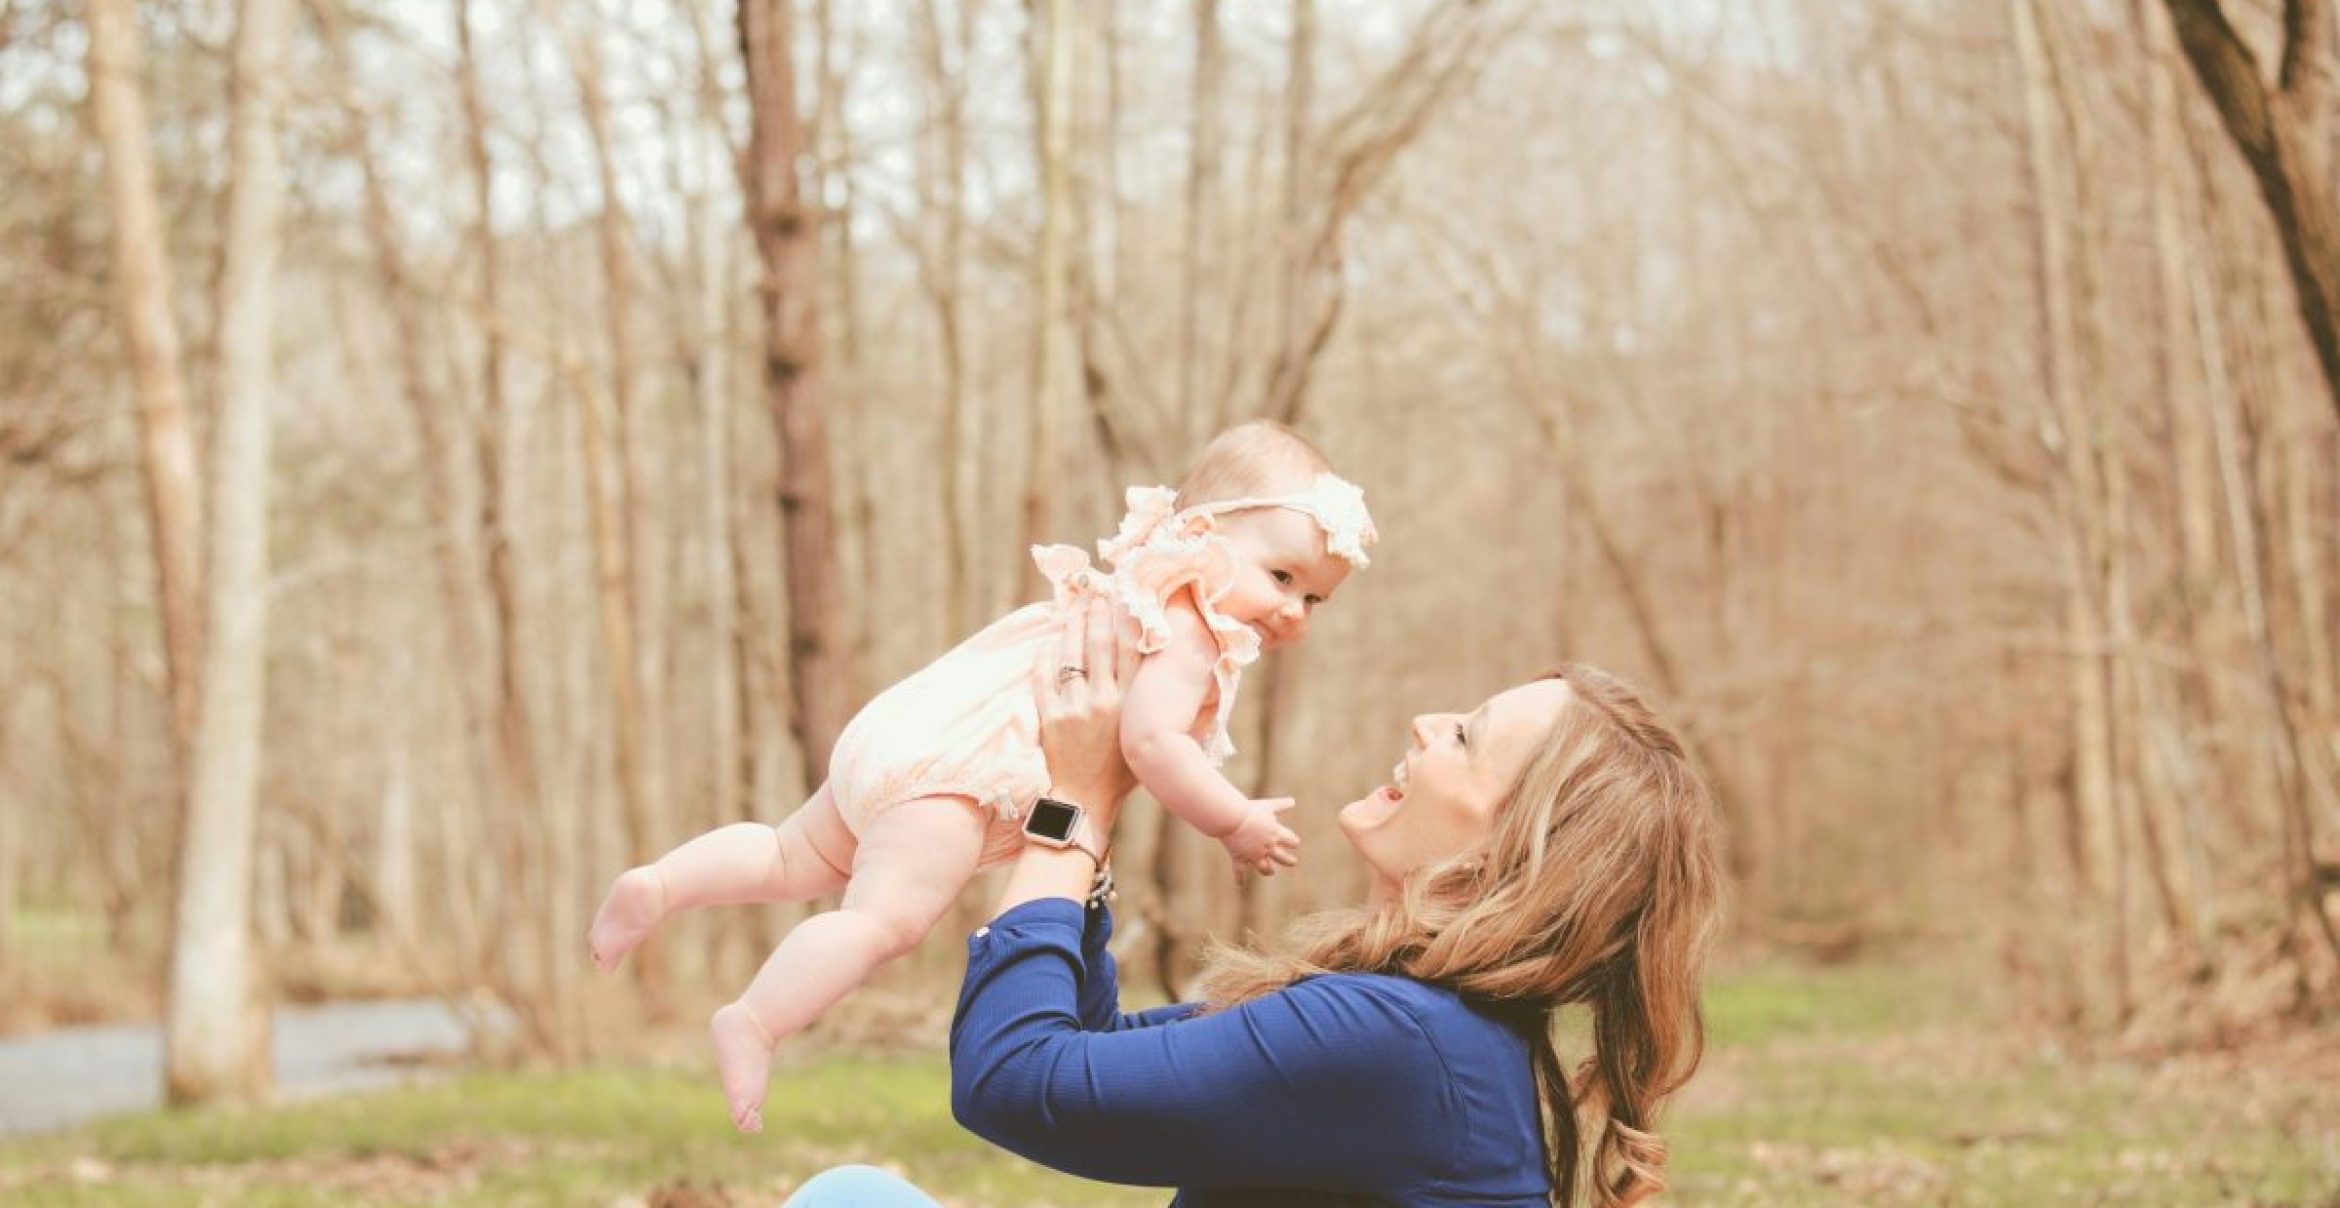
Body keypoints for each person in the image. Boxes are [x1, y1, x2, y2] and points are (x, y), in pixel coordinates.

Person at [784, 596, 1724, 1206]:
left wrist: (1067, 812)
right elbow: (1100, 1059)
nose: (1425, 724)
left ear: (1513, 850)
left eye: (1466, 739)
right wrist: (1092, 823)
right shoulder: (1420, 1023)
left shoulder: (1398, 1039)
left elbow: (1014, 1083)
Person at [587, 422, 1378, 1132]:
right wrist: (1231, 819)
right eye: (1282, 577)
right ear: (1204, 534)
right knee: (882, 924)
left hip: (910, 728)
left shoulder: (1140, 581)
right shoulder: (1189, 627)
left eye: (1316, 598)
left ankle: (661, 884)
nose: (1295, 612)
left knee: (791, 855)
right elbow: (1149, 743)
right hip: (957, 779)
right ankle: (756, 1021)